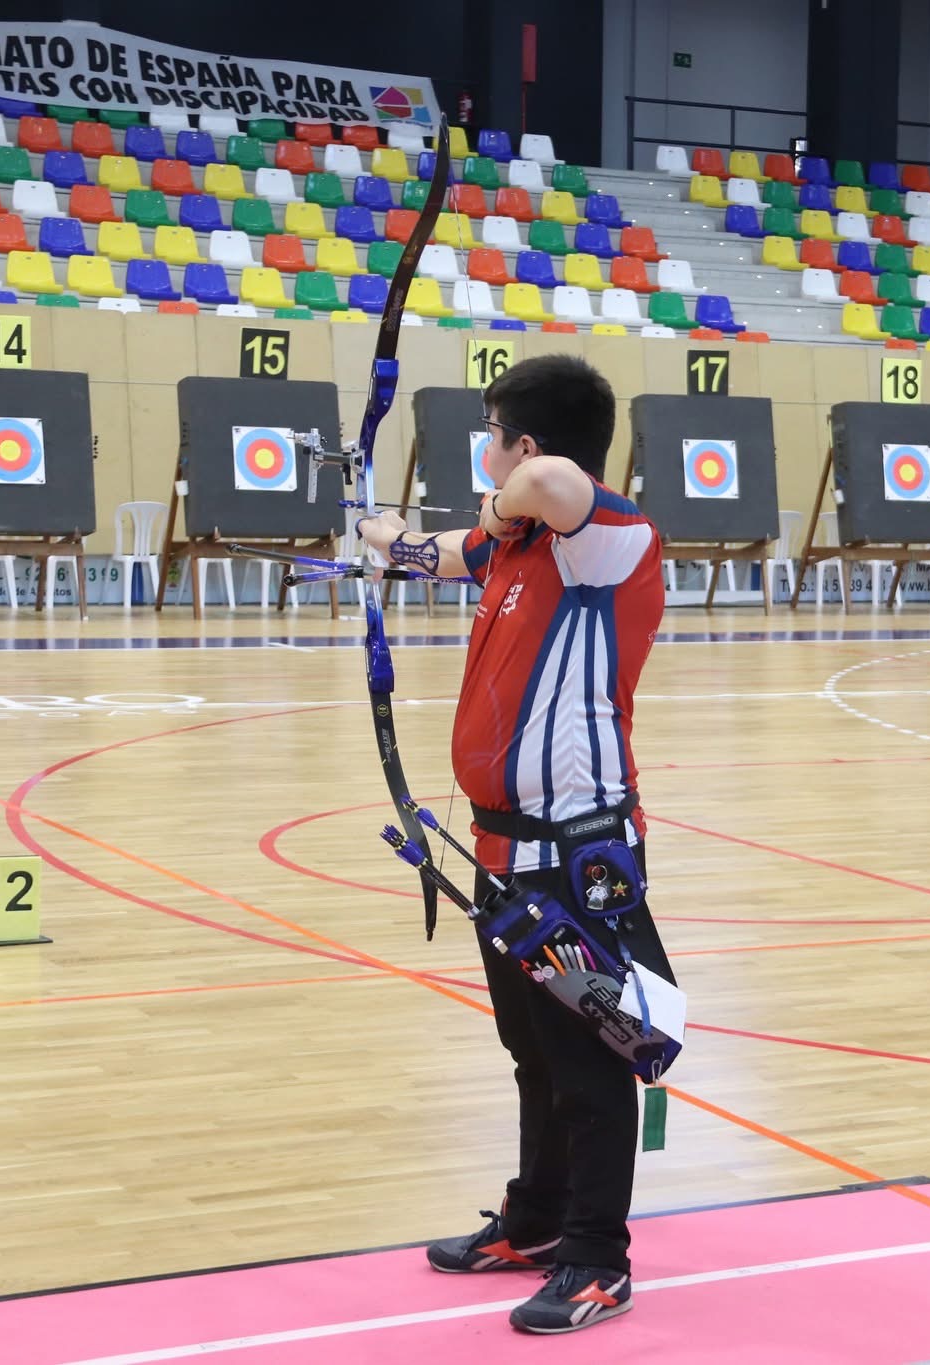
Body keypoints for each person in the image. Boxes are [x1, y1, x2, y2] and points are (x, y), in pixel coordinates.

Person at [356, 354, 673, 1335]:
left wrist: (491, 509)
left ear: (523, 445)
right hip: (502, 853)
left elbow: (543, 486)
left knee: (586, 1059)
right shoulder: (518, 545)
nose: (487, 459)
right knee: (529, 1051)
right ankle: (535, 1222)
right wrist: (374, 532)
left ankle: (595, 1260)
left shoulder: (603, 540)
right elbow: (430, 555)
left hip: (577, 856)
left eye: (493, 438)